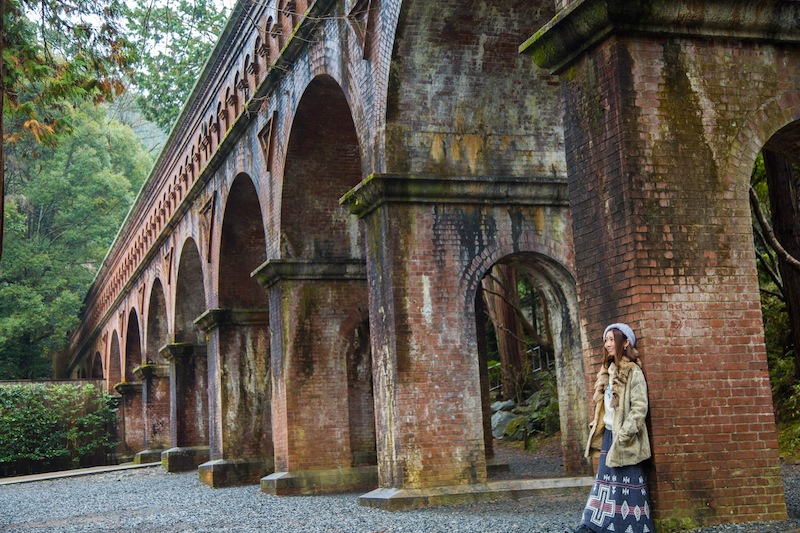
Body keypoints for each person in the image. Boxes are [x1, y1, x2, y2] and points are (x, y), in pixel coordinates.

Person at [569, 323, 654, 533]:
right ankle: (590, 525)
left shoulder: (634, 372)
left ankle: (633, 528)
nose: (607, 344)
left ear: (625, 343)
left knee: (627, 487)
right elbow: (605, 407)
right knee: (604, 485)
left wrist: (624, 433)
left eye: (611, 339)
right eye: (605, 340)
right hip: (609, 436)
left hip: (626, 439)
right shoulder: (607, 371)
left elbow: (640, 408)